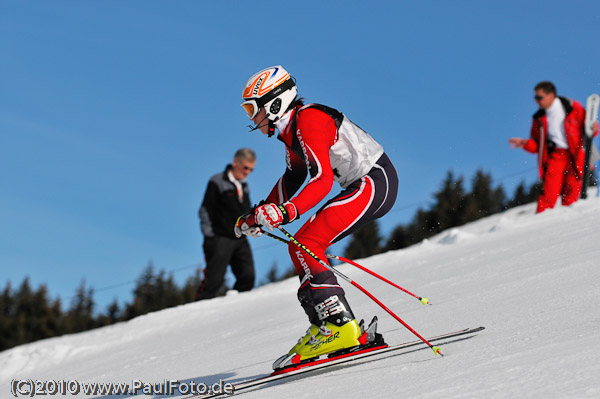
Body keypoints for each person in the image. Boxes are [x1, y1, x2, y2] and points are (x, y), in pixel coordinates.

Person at [234, 65, 398, 369]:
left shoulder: (308, 121)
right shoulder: (291, 130)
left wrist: (284, 212)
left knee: (307, 242)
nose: (251, 119)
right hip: (361, 184)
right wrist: (260, 213)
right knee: (300, 246)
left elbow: (321, 179)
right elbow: (293, 176)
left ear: (274, 103)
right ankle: (328, 326)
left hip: (374, 182)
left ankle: (340, 327)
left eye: (252, 110)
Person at [509, 81, 598, 213]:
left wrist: (594, 127)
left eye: (539, 97)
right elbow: (537, 145)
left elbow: (590, 129)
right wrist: (523, 143)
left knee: (572, 191)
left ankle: (568, 222)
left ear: (551, 95)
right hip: (555, 156)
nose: (537, 101)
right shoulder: (539, 118)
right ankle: (540, 222)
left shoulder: (573, 107)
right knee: (549, 192)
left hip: (575, 154)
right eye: (535, 98)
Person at [196, 148, 257, 300]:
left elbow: (246, 211)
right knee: (214, 281)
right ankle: (196, 314)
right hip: (219, 238)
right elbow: (205, 209)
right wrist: (210, 236)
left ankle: (234, 309)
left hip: (240, 239)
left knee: (248, 276)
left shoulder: (244, 186)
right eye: (245, 168)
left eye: (251, 169)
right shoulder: (217, 181)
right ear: (235, 162)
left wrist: (253, 225)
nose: (248, 172)